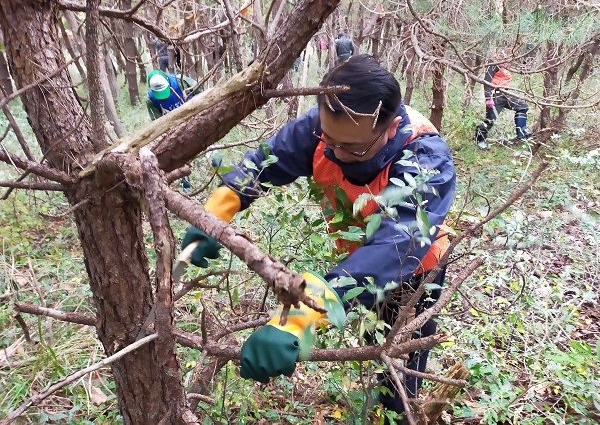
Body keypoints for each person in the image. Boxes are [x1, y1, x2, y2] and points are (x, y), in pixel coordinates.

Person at [181, 55, 456, 422]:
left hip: (415, 273)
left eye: (351, 148)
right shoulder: (325, 129)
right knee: (376, 343)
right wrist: (217, 211)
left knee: (399, 369)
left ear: (389, 129)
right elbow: (267, 161)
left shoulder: (426, 160)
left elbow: (393, 248)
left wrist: (301, 315)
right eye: (328, 140)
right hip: (355, 262)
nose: (333, 152)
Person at [475, 57, 532, 150]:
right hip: (495, 96)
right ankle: (480, 140)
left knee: (522, 106)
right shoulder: (494, 64)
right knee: (490, 120)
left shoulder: (507, 65)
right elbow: (486, 82)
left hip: (506, 94)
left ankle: (521, 131)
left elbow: (523, 63)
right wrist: (488, 98)